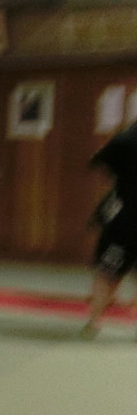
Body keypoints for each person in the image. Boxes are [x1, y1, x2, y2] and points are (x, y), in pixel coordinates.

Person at [83, 121, 137, 337]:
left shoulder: (125, 138)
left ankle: (93, 323)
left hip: (125, 218)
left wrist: (119, 179)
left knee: (107, 271)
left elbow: (98, 161)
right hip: (125, 216)